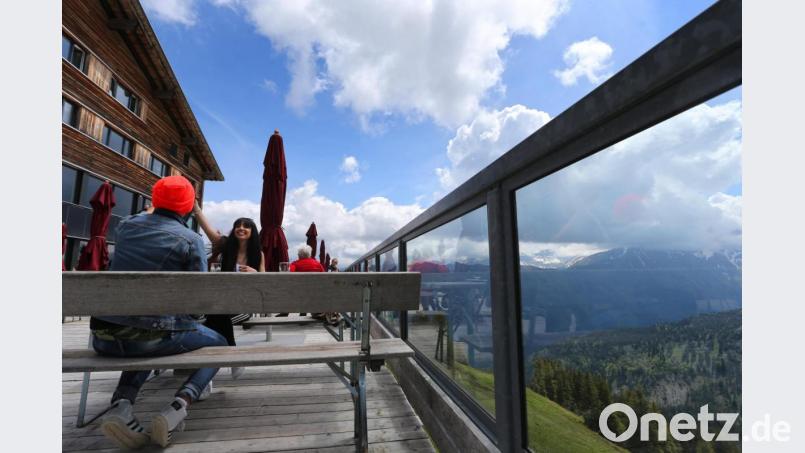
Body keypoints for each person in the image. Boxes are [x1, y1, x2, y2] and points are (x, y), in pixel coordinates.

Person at [90, 176, 227, 449]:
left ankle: (122, 403)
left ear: (154, 201)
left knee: (144, 334)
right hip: (153, 336)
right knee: (220, 344)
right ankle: (178, 406)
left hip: (103, 335)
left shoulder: (126, 227)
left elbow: (146, 217)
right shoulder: (190, 239)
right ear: (188, 206)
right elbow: (197, 298)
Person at [193, 202, 264, 380]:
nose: (241, 228)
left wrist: (256, 273)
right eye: (237, 225)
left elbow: (265, 281)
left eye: (246, 226)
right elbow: (207, 229)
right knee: (217, 315)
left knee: (215, 317)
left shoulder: (258, 254)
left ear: (252, 232)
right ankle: (231, 357)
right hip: (220, 302)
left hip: (243, 305)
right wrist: (196, 209)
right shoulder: (225, 246)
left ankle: (205, 374)